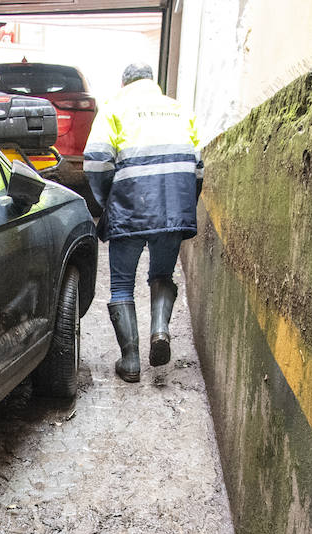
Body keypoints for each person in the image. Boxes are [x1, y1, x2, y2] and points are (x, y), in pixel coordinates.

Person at [83, 62, 202, 383]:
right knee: (162, 274)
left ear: (124, 83)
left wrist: (110, 199)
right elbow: (198, 167)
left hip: (130, 206)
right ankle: (160, 331)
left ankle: (131, 362)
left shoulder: (114, 108)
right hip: (174, 207)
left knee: (122, 284)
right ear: (153, 82)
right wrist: (183, 204)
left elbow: (95, 161)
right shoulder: (178, 110)